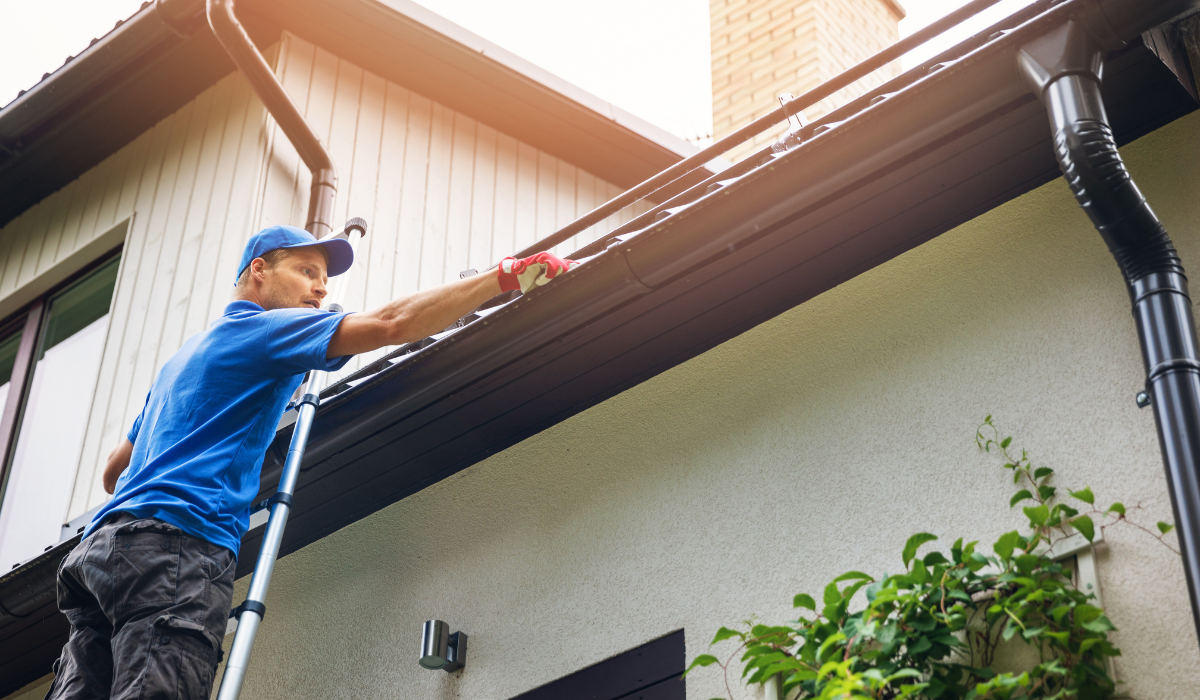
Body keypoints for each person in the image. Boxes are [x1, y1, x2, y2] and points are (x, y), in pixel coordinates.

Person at [44, 225, 576, 700]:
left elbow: (116, 471)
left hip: (101, 554)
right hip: (176, 551)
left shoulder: (183, 361)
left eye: (323, 278)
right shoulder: (264, 331)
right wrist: (503, 276)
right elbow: (392, 323)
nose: (321, 289)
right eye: (306, 272)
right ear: (259, 271)